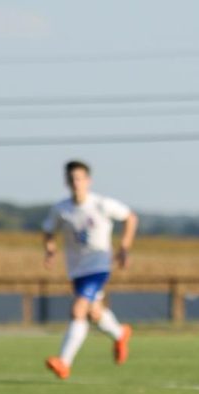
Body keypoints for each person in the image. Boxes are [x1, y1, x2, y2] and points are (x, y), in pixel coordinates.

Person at [41, 161, 137, 379]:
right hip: (77, 270)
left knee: (78, 311)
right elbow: (48, 231)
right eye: (72, 178)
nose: (76, 182)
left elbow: (130, 217)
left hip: (99, 266)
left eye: (80, 178)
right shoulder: (61, 209)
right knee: (94, 312)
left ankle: (64, 362)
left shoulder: (101, 204)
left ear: (88, 181)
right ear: (66, 182)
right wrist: (50, 249)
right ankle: (120, 333)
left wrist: (124, 247)